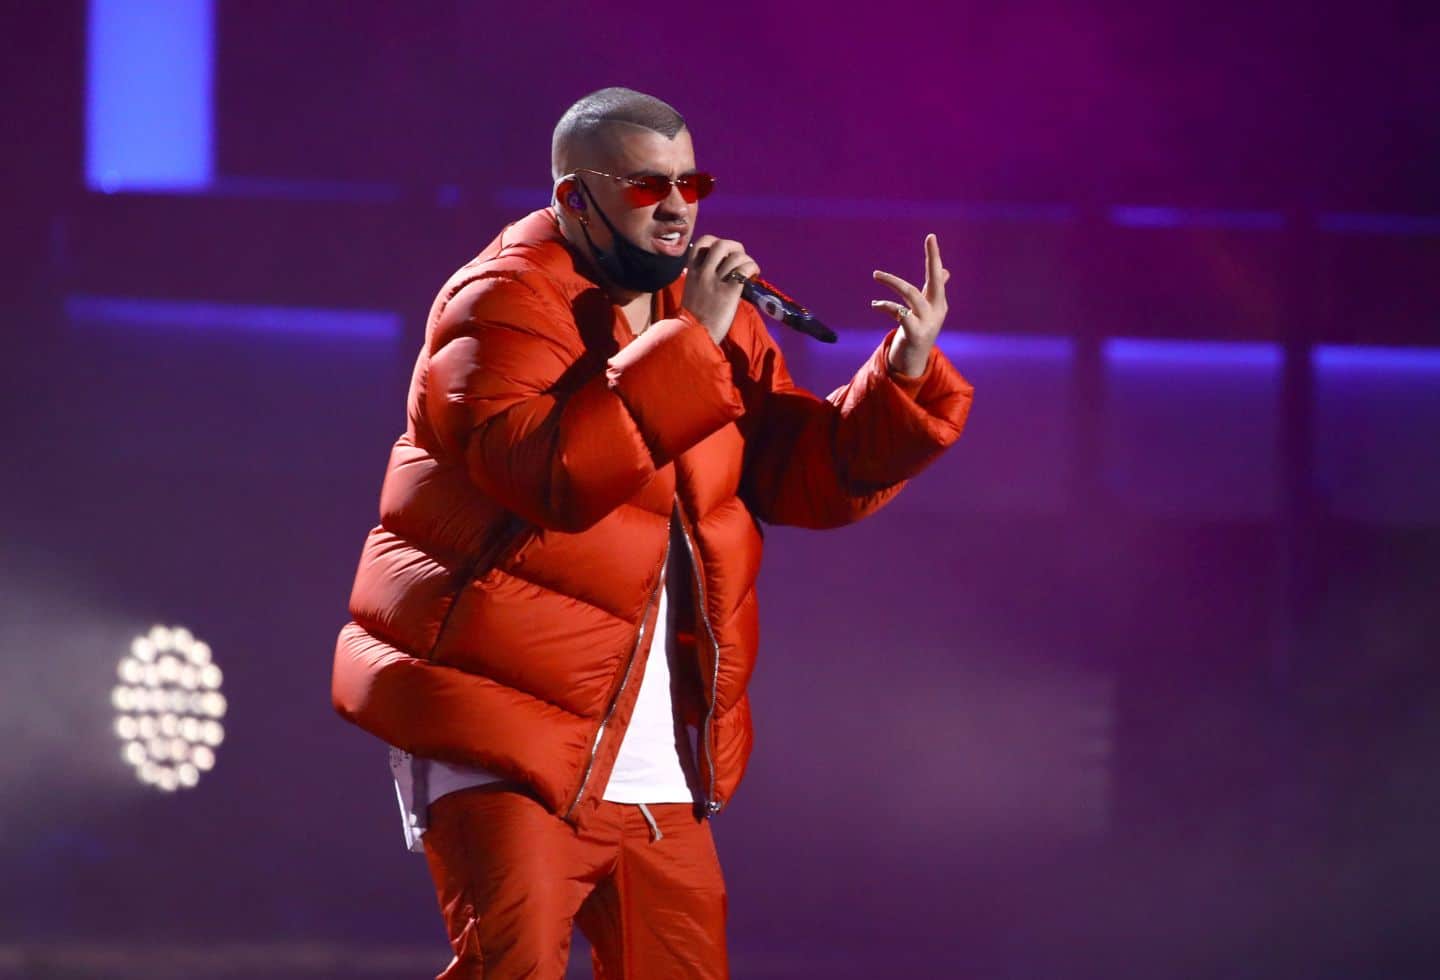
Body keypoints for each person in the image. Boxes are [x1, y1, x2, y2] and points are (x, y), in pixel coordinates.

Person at [331, 86, 974, 979]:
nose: (678, 208)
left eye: (691, 182)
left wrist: (901, 373)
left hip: (655, 754)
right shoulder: (499, 303)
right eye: (646, 185)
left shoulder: (711, 315)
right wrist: (693, 341)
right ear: (572, 197)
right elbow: (554, 476)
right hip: (507, 737)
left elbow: (798, 473)